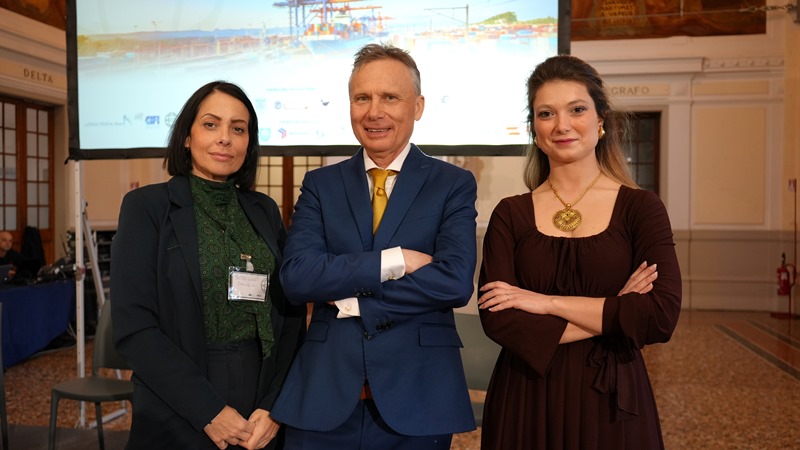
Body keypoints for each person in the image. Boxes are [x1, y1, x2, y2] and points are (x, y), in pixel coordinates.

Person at [270, 43, 478, 449]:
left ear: (418, 106)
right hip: (324, 394)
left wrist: (353, 303)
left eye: (390, 98)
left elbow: (453, 282)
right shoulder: (321, 185)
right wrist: (395, 261)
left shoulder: (452, 184)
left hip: (418, 392)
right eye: (361, 98)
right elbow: (297, 277)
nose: (374, 112)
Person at [477, 54, 681, 450]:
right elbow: (500, 320)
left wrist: (544, 302)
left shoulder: (641, 208)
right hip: (525, 397)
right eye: (546, 113)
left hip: (612, 399)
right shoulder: (510, 213)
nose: (562, 125)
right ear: (534, 130)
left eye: (577, 109)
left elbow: (659, 316)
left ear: (601, 119)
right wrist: (616, 310)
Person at [111, 81, 306, 450]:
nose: (225, 138)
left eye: (238, 128)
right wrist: (208, 411)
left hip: (260, 402)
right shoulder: (146, 208)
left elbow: (291, 315)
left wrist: (274, 405)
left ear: (249, 143)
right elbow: (133, 327)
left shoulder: (264, 211)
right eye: (211, 124)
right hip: (178, 399)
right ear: (187, 137)